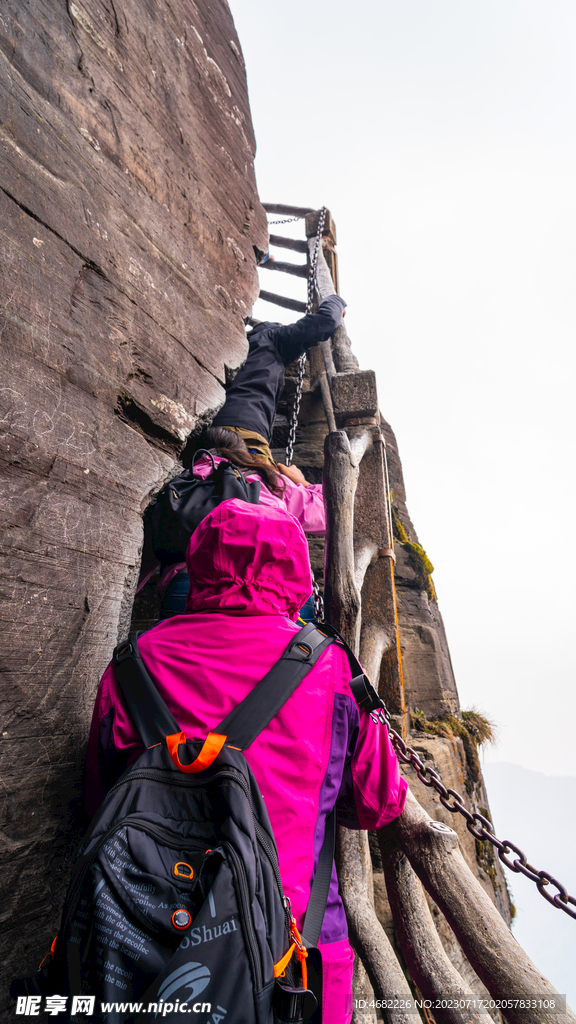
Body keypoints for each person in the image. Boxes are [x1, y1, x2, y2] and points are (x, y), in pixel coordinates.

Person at [87, 499, 408, 1024]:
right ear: (297, 571)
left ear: (199, 565)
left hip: (139, 941)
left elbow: (100, 799)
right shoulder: (330, 666)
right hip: (291, 959)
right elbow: (379, 801)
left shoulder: (131, 661)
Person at [156, 294, 346, 618]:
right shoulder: (269, 337)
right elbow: (331, 511)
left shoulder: (191, 481)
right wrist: (335, 300)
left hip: (186, 584)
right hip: (264, 593)